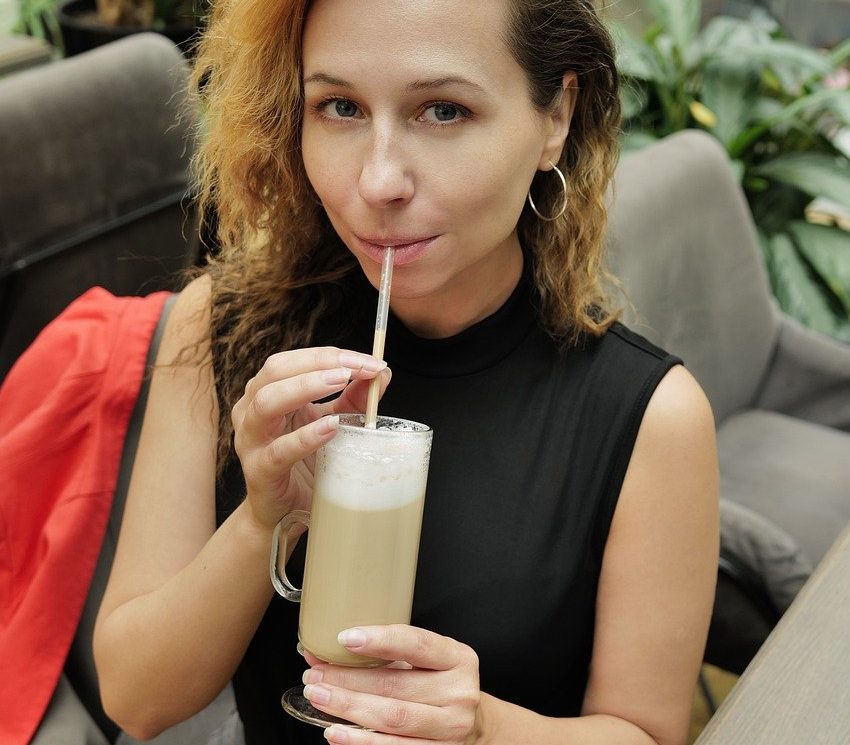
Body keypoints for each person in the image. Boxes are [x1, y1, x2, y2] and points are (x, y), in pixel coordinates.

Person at [93, 1, 719, 744]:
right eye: (340, 106)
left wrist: (483, 728)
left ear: (556, 116)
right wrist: (266, 516)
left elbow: (646, 733)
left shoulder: (648, 416)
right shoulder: (219, 327)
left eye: (443, 111)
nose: (379, 179)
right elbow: (136, 697)